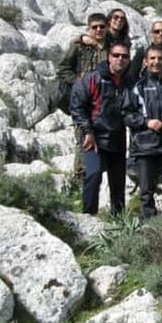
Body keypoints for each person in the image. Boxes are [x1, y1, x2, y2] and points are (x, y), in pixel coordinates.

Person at [122, 44, 162, 218]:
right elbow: (126, 115)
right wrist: (146, 122)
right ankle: (149, 230)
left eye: (159, 58)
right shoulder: (137, 87)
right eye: (152, 58)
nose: (156, 62)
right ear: (145, 61)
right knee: (146, 194)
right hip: (145, 149)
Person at [69, 42, 132, 215]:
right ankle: (88, 216)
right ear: (109, 57)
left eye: (124, 56)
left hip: (118, 137)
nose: (120, 59)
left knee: (118, 182)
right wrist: (88, 131)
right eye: (116, 55)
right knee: (93, 175)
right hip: (94, 137)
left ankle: (118, 223)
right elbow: (77, 105)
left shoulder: (129, 81)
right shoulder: (93, 78)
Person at [56, 12, 109, 113]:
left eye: (102, 26)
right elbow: (63, 68)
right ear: (89, 29)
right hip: (82, 96)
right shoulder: (79, 47)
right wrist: (77, 82)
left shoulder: (112, 49)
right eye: (94, 27)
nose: (98, 29)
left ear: (107, 28)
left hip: (103, 98)